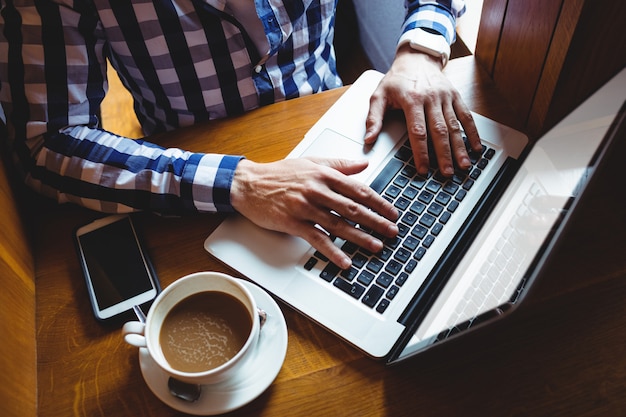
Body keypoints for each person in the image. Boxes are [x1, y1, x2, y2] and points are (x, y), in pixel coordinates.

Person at [0, 0, 480, 269]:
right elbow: (47, 142)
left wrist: (423, 43)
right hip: (201, 192)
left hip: (349, 132)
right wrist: (238, 183)